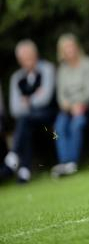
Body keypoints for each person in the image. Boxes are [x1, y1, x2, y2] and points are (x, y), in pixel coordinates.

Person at [2, 40, 56, 183]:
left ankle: (14, 157)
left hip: (48, 116)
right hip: (28, 120)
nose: (27, 60)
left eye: (29, 56)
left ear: (36, 54)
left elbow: (45, 99)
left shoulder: (47, 69)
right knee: (25, 122)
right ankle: (24, 171)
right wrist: (35, 96)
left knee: (24, 120)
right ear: (19, 59)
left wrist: (27, 100)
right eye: (23, 57)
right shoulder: (16, 78)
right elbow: (14, 109)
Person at [51, 34, 89, 178]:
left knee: (77, 124)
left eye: (71, 46)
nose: (70, 50)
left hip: (87, 106)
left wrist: (79, 104)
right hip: (68, 109)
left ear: (77, 47)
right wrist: (68, 105)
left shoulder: (88, 64)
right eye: (66, 48)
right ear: (62, 52)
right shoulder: (62, 70)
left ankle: (72, 162)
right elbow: (61, 96)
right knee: (59, 125)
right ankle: (64, 162)